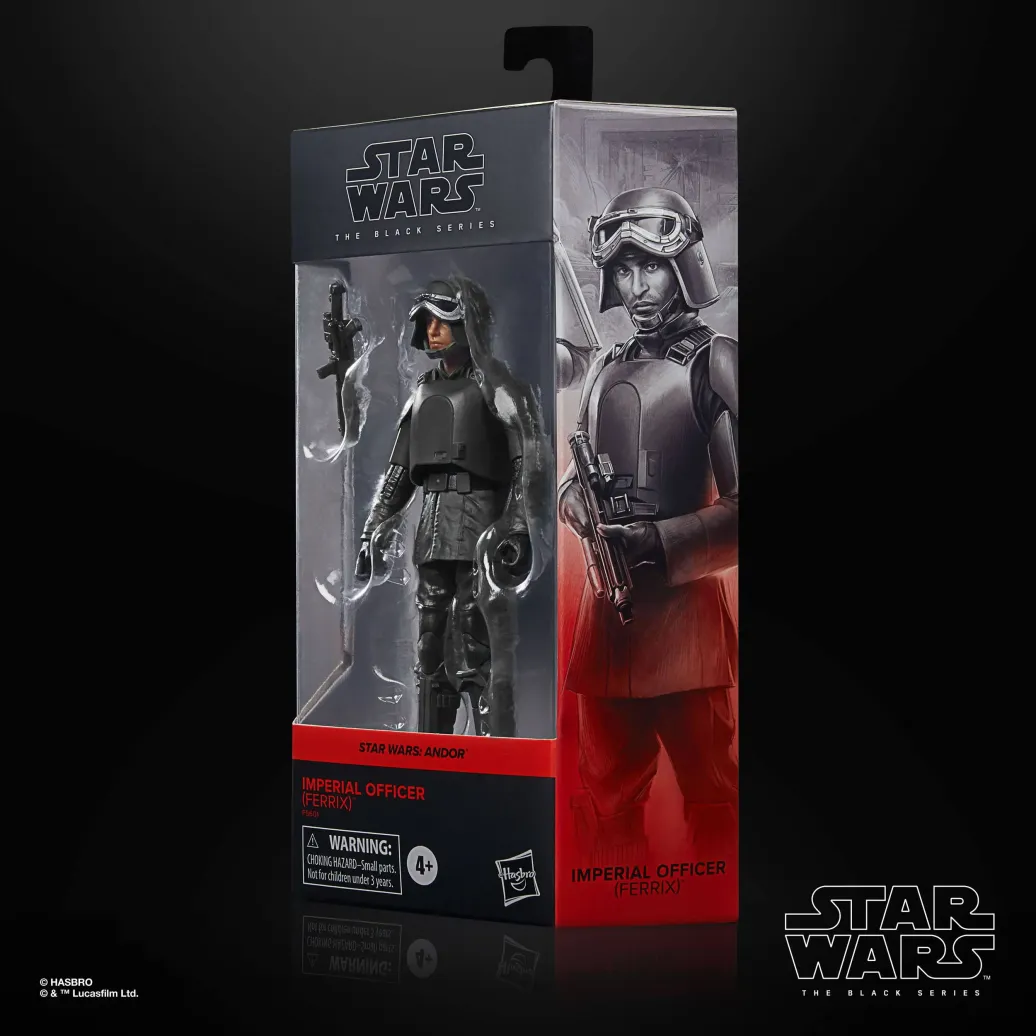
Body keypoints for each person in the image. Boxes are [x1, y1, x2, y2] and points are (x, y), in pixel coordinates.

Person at [558, 187, 739, 863]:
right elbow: (576, 473)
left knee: (714, 799)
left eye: (652, 268)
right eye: (625, 270)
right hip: (605, 629)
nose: (637, 287)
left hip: (686, 628)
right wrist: (576, 503)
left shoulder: (716, 362)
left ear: (683, 267)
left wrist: (657, 542)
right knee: (604, 810)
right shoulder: (605, 366)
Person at [355, 277, 528, 736]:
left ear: (466, 322)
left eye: (442, 321)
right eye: (427, 322)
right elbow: (398, 471)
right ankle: (432, 747)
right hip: (432, 526)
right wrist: (375, 526)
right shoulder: (422, 391)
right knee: (429, 644)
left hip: (480, 526)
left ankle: (490, 750)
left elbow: (525, 461)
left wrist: (516, 524)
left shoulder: (494, 385)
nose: (432, 330)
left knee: (474, 640)